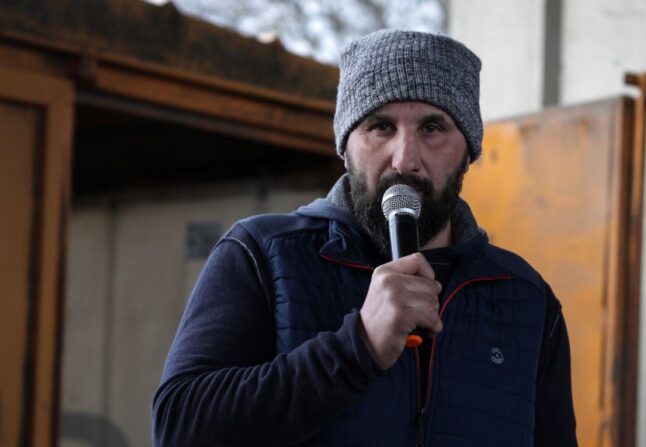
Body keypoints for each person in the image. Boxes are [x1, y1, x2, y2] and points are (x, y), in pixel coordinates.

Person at [153, 29, 577, 446]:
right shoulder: (263, 254)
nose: (405, 159)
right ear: (345, 146)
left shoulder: (525, 298)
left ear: (469, 150)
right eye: (380, 126)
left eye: (432, 128)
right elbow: (178, 427)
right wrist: (356, 348)